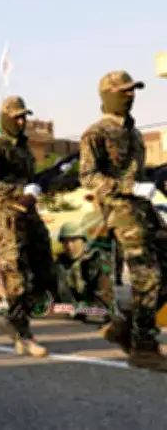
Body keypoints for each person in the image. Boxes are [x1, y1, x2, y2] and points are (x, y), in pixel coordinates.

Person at [79, 70, 167, 371]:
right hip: (121, 212)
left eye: (133, 90)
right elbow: (88, 176)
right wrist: (129, 187)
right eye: (124, 91)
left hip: (145, 210)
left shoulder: (134, 133)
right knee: (148, 275)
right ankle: (144, 347)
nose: (131, 95)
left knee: (162, 273)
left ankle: (123, 326)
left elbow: (138, 173)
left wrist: (154, 178)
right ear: (109, 94)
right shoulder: (96, 133)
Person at [0, 95, 52, 357]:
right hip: (8, 217)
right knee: (16, 274)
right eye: (17, 117)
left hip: (30, 215)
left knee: (45, 270)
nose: (21, 121)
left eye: (24, 117)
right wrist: (20, 190)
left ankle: (14, 320)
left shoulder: (25, 148)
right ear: (6, 118)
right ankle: (23, 333)